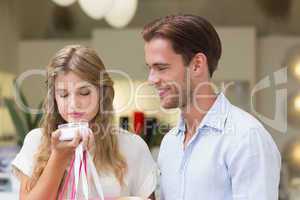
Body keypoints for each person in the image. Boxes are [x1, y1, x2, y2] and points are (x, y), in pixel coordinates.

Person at [142, 14, 281, 200]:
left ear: (197, 65)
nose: (151, 79)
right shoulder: (170, 144)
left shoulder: (246, 138)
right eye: (149, 68)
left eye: (161, 68)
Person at [12, 45, 157, 199]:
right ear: (54, 97)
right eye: (63, 94)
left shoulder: (132, 146)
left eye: (84, 92)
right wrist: (58, 158)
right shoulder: (36, 141)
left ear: (102, 93)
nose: (73, 104)